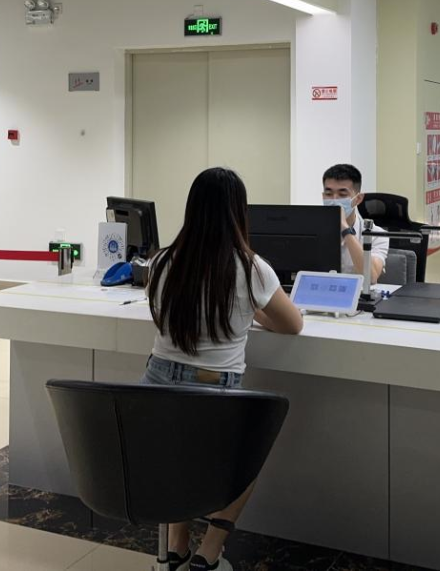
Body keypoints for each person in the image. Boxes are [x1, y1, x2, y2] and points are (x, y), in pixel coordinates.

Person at [144, 167, 304, 571]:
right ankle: (209, 553)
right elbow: (292, 324)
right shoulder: (251, 268)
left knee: (176, 457)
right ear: (238, 212)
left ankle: (177, 546)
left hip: (155, 386)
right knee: (244, 462)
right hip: (214, 390)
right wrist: (253, 313)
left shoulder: (161, 262)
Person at [322, 164, 389, 284]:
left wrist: (345, 228)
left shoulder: (377, 235)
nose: (334, 200)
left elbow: (370, 278)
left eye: (342, 194)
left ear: (358, 199)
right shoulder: (311, 228)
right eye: (328, 194)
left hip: (357, 294)